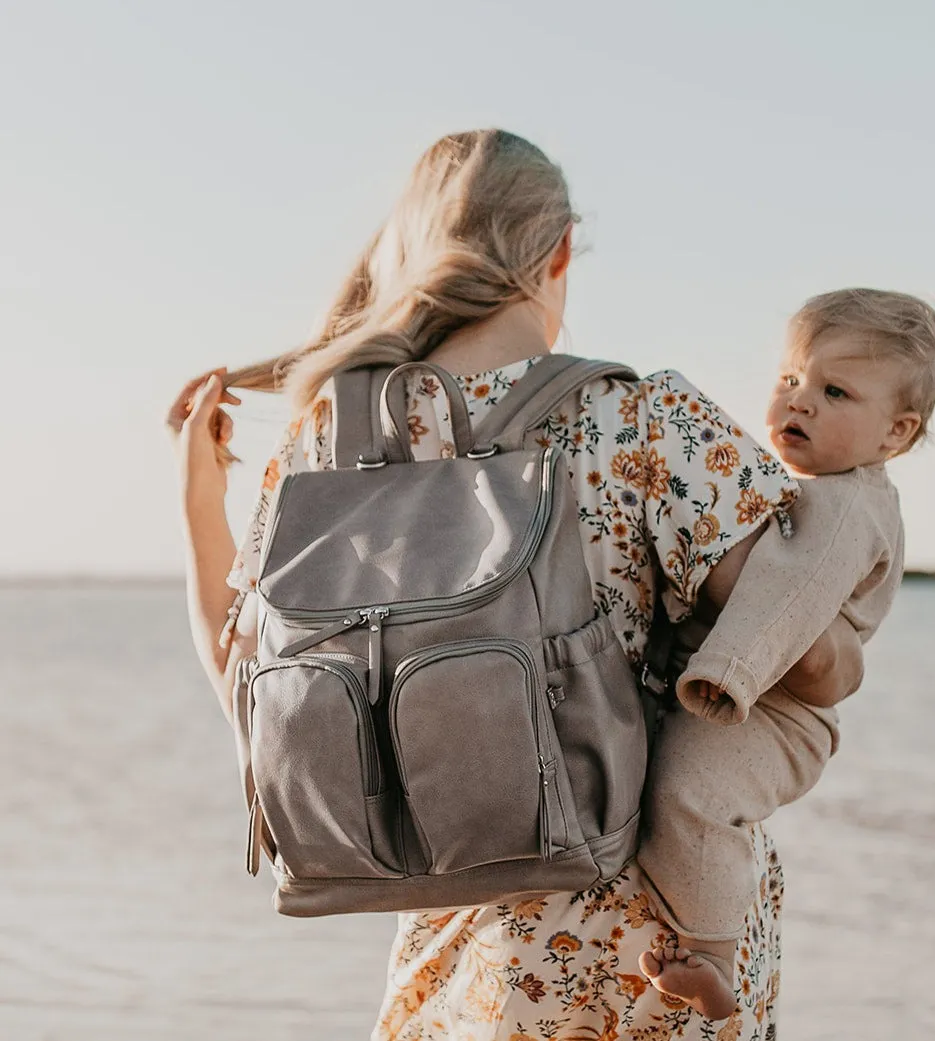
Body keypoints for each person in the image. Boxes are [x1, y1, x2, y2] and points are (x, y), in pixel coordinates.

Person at [166, 129, 864, 1039]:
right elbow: (810, 659)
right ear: (559, 248)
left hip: (461, 957)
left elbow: (251, 702)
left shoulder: (321, 447)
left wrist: (196, 493)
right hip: (655, 947)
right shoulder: (644, 421)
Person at [638, 289, 935, 1018]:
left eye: (833, 391)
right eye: (790, 380)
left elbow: (792, 597)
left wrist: (725, 672)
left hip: (770, 711)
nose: (798, 402)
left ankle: (711, 959)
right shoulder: (817, 493)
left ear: (893, 433)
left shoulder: (849, 506)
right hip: (751, 696)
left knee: (691, 791)